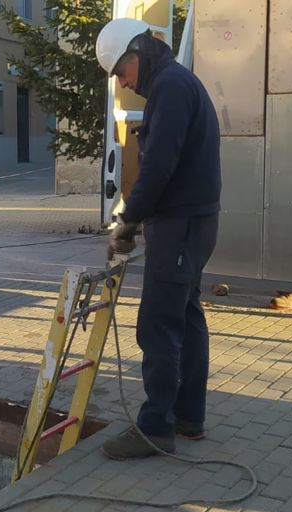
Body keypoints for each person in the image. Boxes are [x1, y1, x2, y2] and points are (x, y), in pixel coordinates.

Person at [95, 18, 221, 459]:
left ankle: (155, 428)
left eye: (121, 72)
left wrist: (127, 221)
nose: (124, 83)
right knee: (185, 317)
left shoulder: (169, 86)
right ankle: (189, 419)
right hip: (193, 223)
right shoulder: (177, 83)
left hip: (181, 225)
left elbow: (157, 167)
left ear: (137, 53)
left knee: (158, 325)